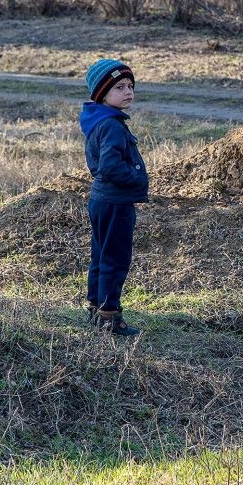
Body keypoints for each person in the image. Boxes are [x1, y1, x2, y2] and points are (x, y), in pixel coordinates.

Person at [79, 59, 148, 336]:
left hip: (101, 200)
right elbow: (109, 166)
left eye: (130, 86)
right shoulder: (112, 126)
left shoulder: (100, 120)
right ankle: (109, 318)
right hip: (116, 202)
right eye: (119, 87)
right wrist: (136, 176)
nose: (128, 92)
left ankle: (95, 309)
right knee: (115, 259)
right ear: (102, 93)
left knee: (101, 255)